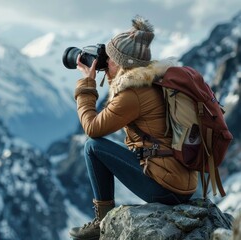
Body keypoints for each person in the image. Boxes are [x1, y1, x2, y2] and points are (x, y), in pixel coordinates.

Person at [69, 16, 198, 240]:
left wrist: (87, 84)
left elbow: (92, 127)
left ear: (121, 63)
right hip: (182, 184)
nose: (104, 62)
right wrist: (112, 78)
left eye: (109, 58)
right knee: (104, 146)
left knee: (93, 146)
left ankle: (102, 222)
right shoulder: (154, 81)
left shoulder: (133, 95)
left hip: (164, 188)